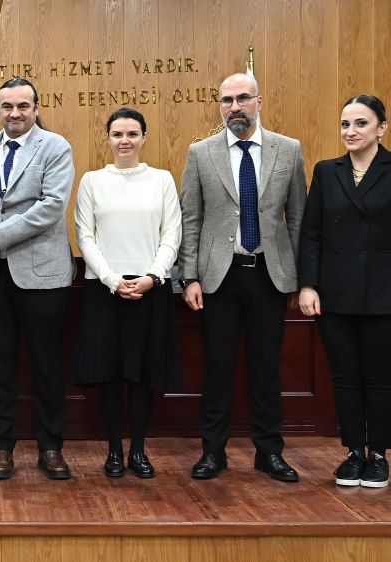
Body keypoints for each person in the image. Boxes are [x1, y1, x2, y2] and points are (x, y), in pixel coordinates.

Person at [179, 73, 307, 482]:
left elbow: (299, 219)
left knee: (266, 368)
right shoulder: (201, 153)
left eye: (242, 99)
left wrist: (301, 278)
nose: (235, 106)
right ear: (219, 106)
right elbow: (191, 218)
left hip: (270, 276)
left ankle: (269, 452)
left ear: (259, 101)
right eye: (226, 100)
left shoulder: (289, 150)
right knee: (217, 368)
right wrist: (190, 276)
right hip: (219, 277)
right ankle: (213, 453)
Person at [0, 78, 76, 480]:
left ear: (36, 107)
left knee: (47, 366)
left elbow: (51, 207)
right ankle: (1, 448)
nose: (15, 113)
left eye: (23, 106)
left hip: (42, 274)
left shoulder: (55, 146)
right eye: (7, 106)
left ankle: (50, 448)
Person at [72, 107, 182, 478]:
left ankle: (139, 450)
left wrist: (153, 275)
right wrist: (111, 279)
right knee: (110, 374)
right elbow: (84, 236)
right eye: (118, 134)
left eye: (132, 134)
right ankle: (114, 452)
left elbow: (172, 234)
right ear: (108, 138)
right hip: (105, 290)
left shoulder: (163, 180)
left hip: (150, 288)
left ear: (143, 138)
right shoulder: (91, 181)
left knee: (140, 375)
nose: (125, 141)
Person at [298, 94, 391, 488]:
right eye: (345, 125)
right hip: (334, 292)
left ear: (381, 128)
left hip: (384, 293)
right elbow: (312, 233)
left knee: (380, 378)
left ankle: (379, 456)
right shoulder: (327, 170)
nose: (350, 132)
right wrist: (307, 285)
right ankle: (353, 452)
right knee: (345, 377)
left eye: (360, 124)